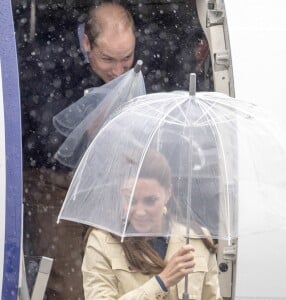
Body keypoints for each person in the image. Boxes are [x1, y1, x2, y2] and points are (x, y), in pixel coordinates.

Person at [21, 2, 137, 299]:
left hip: (113, 181)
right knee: (70, 284)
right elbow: (41, 134)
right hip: (52, 181)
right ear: (86, 43)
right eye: (108, 59)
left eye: (127, 58)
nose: (119, 70)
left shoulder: (136, 56)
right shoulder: (47, 57)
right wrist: (88, 127)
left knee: (122, 273)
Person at [82, 150, 222, 299]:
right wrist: (161, 283)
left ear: (168, 193)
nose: (140, 211)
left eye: (150, 201)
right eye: (131, 200)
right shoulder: (102, 242)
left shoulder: (196, 238)